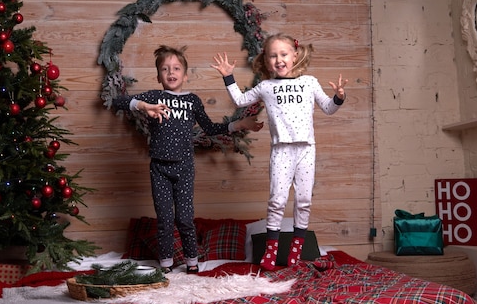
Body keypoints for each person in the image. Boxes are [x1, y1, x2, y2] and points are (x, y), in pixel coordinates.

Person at [112, 45, 263, 274]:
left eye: (176, 68)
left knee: (184, 218)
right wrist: (143, 106)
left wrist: (239, 124)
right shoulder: (155, 97)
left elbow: (211, 128)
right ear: (158, 75)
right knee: (164, 219)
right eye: (165, 69)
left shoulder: (192, 101)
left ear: (185, 74)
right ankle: (166, 264)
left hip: (184, 168)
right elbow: (117, 102)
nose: (171, 73)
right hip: (159, 167)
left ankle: (192, 262)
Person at [211, 33, 347, 271]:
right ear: (266, 60)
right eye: (273, 56)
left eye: (284, 54)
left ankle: (295, 253)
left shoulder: (309, 82)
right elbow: (241, 100)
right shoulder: (266, 87)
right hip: (281, 151)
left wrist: (338, 97)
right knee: (277, 200)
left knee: (303, 201)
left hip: (306, 150)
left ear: (295, 55)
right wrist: (228, 76)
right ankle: (270, 254)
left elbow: (328, 108)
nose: (279, 59)